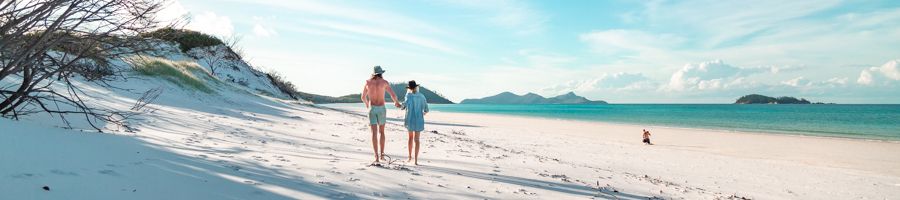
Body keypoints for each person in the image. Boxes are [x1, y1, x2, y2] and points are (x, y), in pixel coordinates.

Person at [361, 66, 401, 163]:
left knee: (374, 133)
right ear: (381, 73)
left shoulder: (368, 82)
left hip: (372, 109)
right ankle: (382, 155)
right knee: (381, 132)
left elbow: (363, 97)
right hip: (381, 109)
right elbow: (393, 95)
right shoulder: (384, 82)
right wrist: (396, 102)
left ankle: (376, 157)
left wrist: (367, 105)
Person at [400, 80, 428, 165]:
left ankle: (409, 157)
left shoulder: (408, 95)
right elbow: (426, 109)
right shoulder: (422, 96)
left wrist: (398, 105)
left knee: (410, 138)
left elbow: (403, 106)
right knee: (417, 140)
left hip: (410, 119)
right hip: (418, 120)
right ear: (416, 87)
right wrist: (422, 113)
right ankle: (416, 160)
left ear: (409, 88)